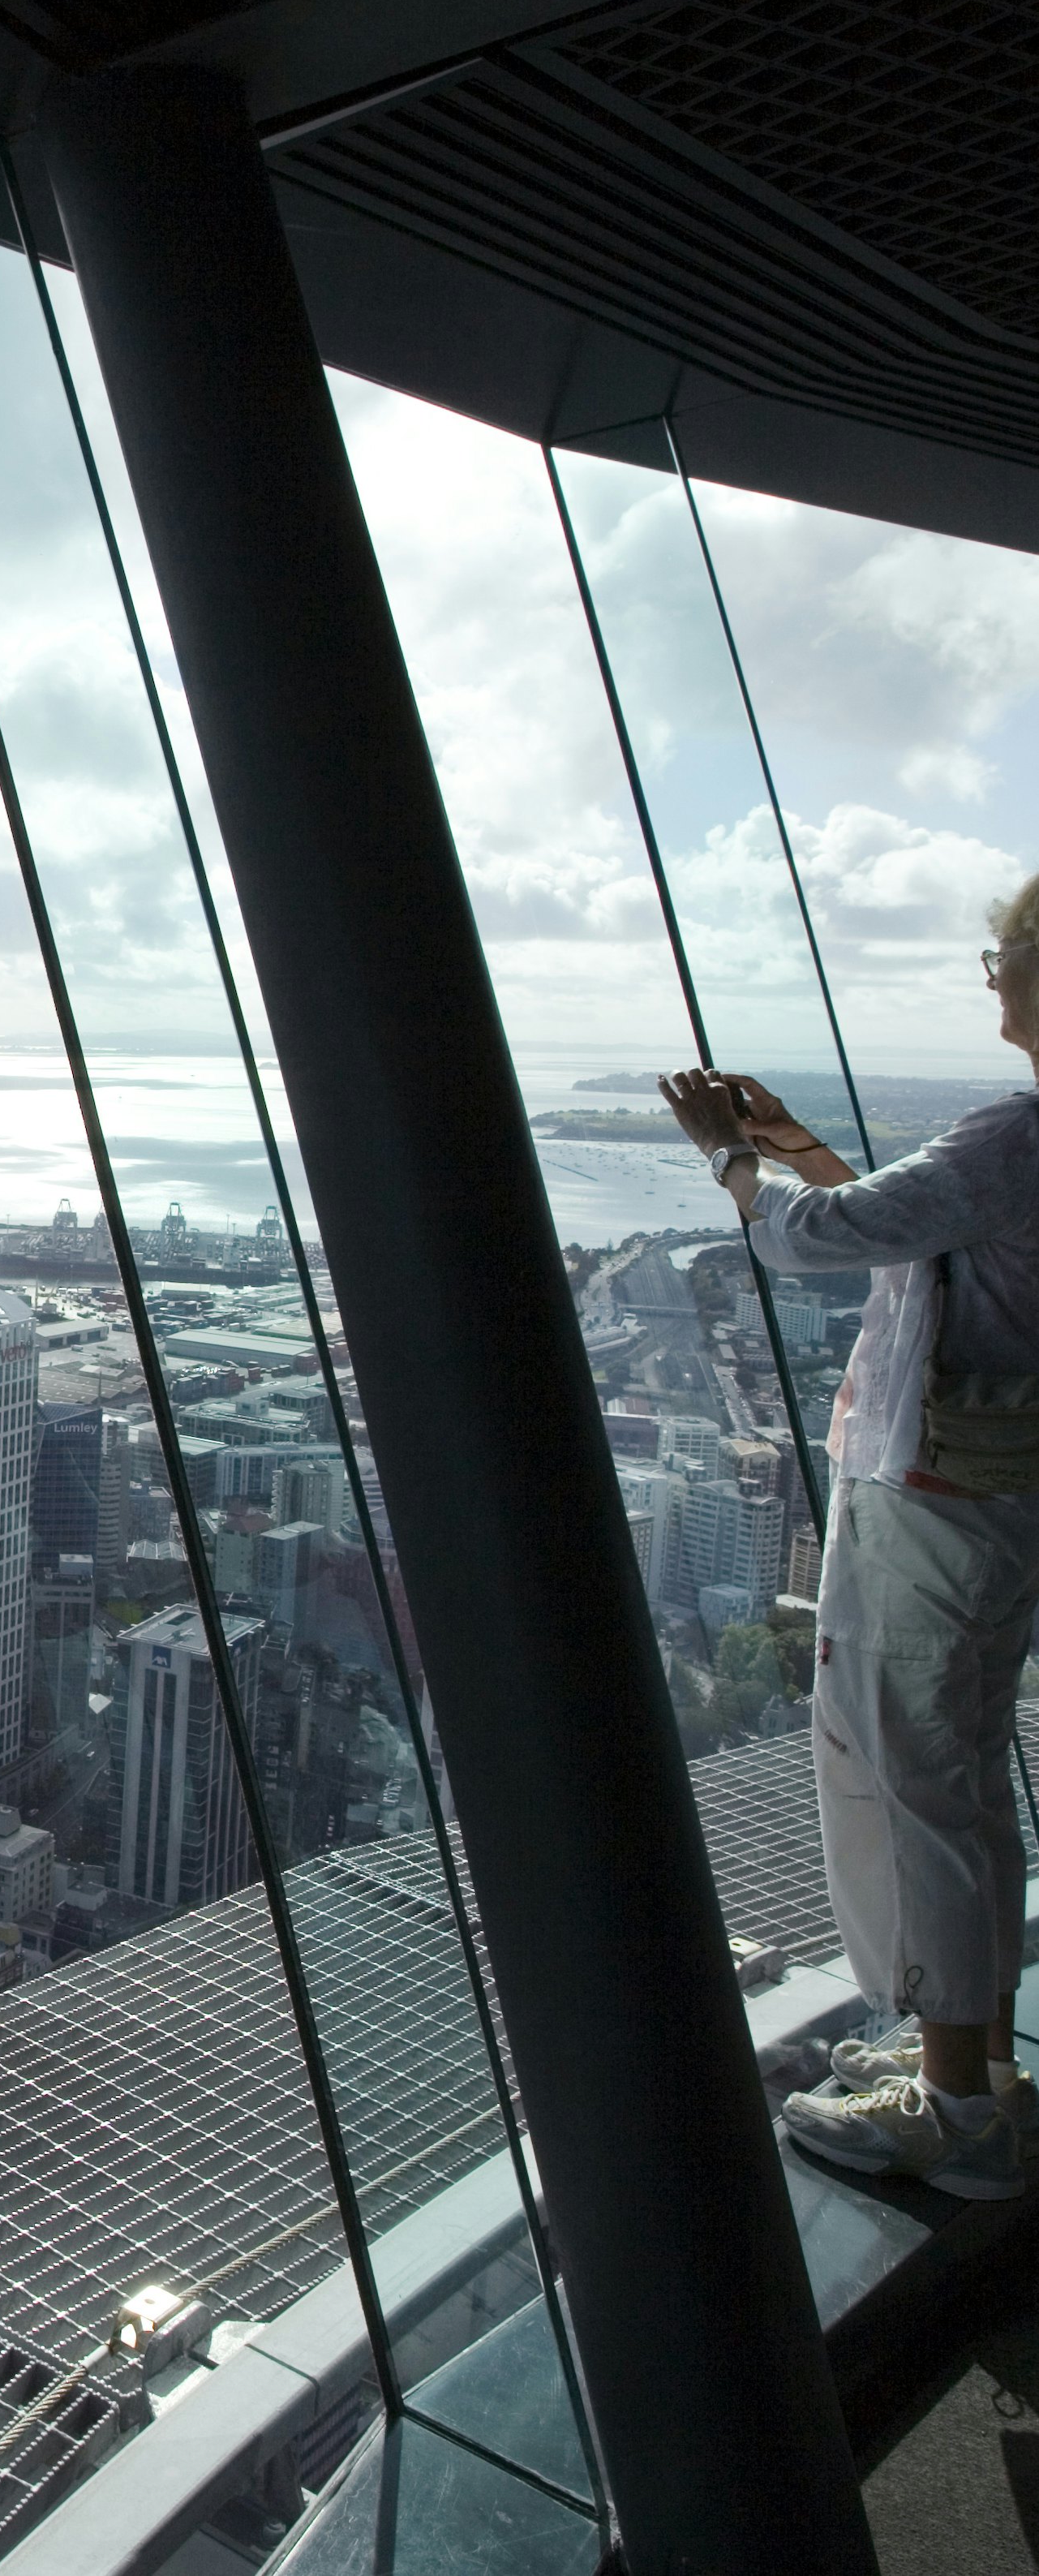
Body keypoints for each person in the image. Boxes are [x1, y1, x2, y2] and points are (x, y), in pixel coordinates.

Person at [659, 874, 1039, 2201]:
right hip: (1002, 1506)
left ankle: (960, 2115)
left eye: (1003, 955)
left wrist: (734, 1160)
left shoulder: (1018, 1135)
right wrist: (806, 1145)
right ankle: (976, 2069)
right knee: (969, 1779)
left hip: (933, 1509)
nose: (989, 977)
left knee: (921, 1787)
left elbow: (818, 1241)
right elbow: (920, 1246)